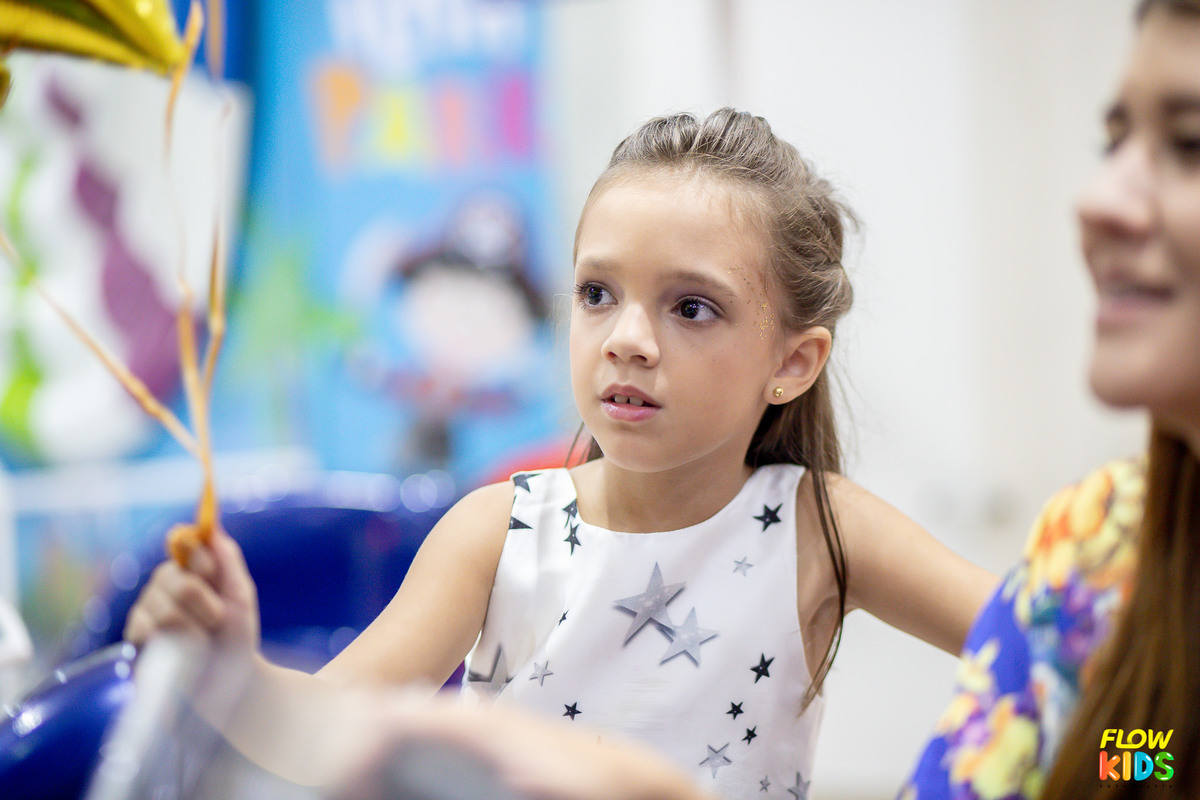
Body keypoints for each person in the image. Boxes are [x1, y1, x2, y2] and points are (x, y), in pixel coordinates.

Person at [124, 108, 995, 798]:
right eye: (597, 293)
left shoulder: (821, 529)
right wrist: (226, 671)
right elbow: (327, 733)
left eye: (691, 308)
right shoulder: (496, 532)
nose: (627, 339)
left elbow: (1061, 655)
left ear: (792, 362)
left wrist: (1080, 770)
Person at [899, 1, 1200, 797]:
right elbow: (1137, 756)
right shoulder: (1101, 546)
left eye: (1189, 143)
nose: (1096, 199)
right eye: (1115, 141)